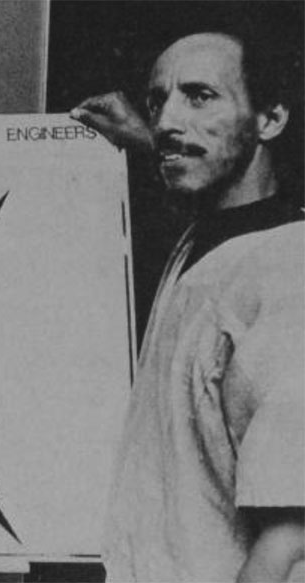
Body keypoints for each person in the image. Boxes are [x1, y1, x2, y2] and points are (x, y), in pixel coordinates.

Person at [71, 28, 304, 582]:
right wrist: (147, 138)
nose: (169, 121)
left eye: (200, 96)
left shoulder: (288, 279)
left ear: (270, 119)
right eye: (158, 101)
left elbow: (291, 541)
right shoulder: (212, 239)